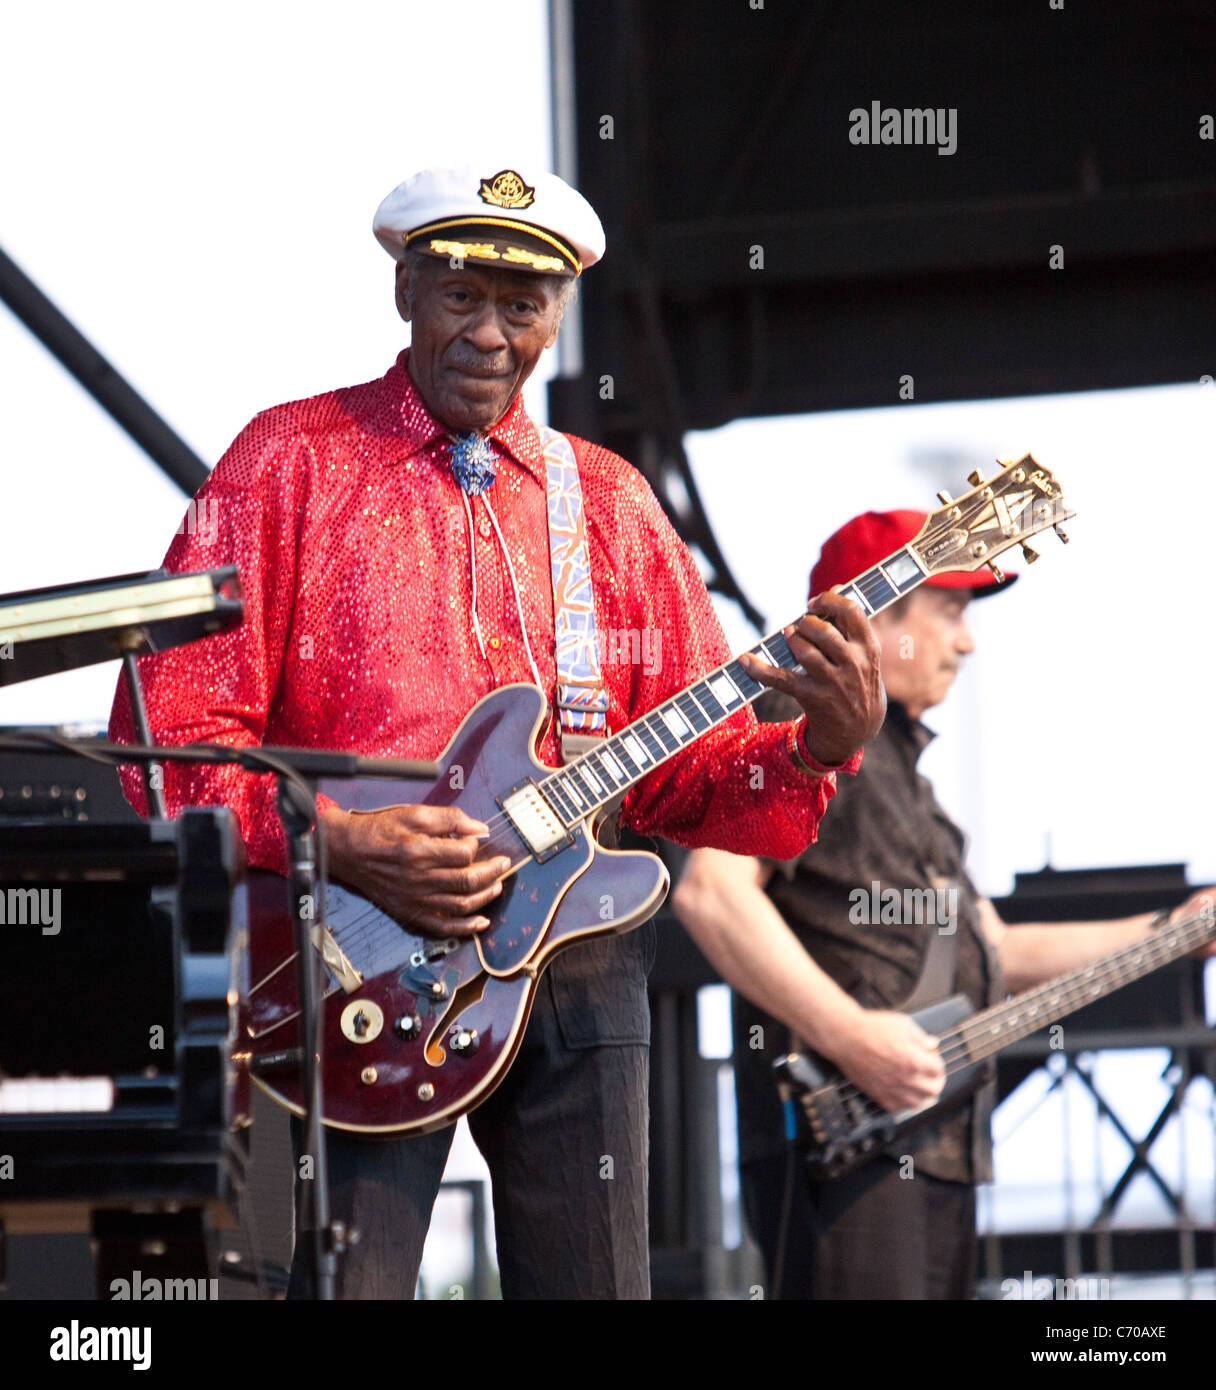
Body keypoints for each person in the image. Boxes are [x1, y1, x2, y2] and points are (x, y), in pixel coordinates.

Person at [108, 164, 886, 1299]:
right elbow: (168, 744)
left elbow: (688, 782)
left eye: (522, 307)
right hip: (342, 963)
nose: (487, 333)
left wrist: (820, 742)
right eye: (458, 295)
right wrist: (344, 843)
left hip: (579, 961)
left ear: (560, 313)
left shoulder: (608, 501)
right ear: (403, 291)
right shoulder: (289, 460)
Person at [671, 508, 1213, 1300]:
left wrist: (1174, 931)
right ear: (873, 614)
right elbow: (712, 896)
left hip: (937, 1141)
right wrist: (852, 1037)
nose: (967, 642)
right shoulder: (797, 723)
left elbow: (1000, 951)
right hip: (843, 1148)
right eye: (951, 612)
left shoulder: (915, 792)